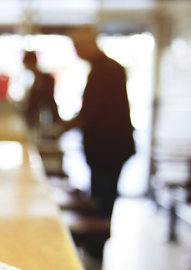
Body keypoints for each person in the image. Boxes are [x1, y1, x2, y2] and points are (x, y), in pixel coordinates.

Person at [57, 27, 135, 222]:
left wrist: (63, 128)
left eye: (78, 47)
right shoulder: (107, 68)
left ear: (89, 44)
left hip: (108, 148)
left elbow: (92, 112)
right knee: (102, 196)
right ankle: (98, 241)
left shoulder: (105, 70)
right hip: (109, 147)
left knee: (102, 199)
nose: (77, 52)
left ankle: (97, 244)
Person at [22, 51, 60, 130]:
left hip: (46, 119)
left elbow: (50, 100)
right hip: (38, 120)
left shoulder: (46, 79)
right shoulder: (34, 78)